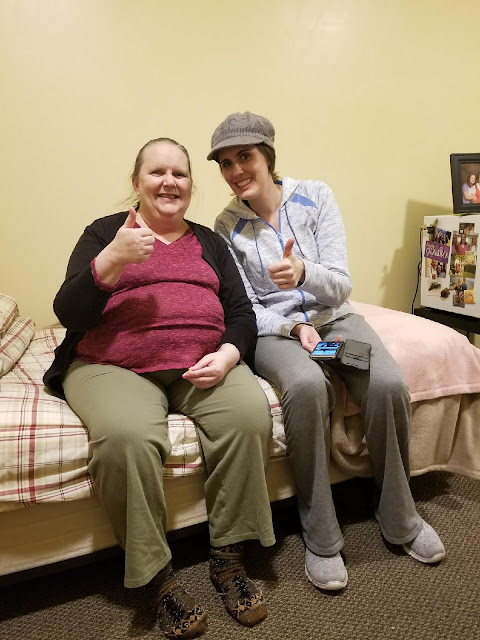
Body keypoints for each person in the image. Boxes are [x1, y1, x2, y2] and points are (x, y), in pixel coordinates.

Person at [43, 137, 276, 639]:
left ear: (191, 185)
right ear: (137, 183)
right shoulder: (105, 233)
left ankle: (229, 559)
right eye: (157, 172)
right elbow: (69, 312)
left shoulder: (209, 242)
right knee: (126, 437)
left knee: (249, 415)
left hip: (201, 363)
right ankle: (158, 579)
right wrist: (111, 261)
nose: (169, 182)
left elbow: (241, 313)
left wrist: (228, 354)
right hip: (113, 366)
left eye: (180, 173)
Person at [207, 112, 445, 592]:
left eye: (245, 157)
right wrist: (293, 326)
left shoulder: (315, 196)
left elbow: (340, 285)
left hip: (334, 323)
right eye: (226, 163)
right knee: (306, 387)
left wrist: (303, 273)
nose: (236, 171)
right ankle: (320, 535)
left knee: (386, 382)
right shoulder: (227, 225)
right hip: (278, 336)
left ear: (267, 156)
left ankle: (400, 515)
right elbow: (246, 309)